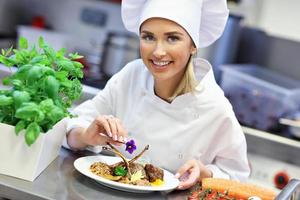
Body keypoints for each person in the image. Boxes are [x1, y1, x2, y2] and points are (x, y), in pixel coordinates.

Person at [65, 0, 250, 190]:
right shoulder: (130, 77)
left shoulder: (215, 107)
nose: (158, 51)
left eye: (172, 38)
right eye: (148, 37)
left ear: (193, 45)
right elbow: (72, 126)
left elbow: (236, 178)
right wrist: (85, 136)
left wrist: (206, 173)